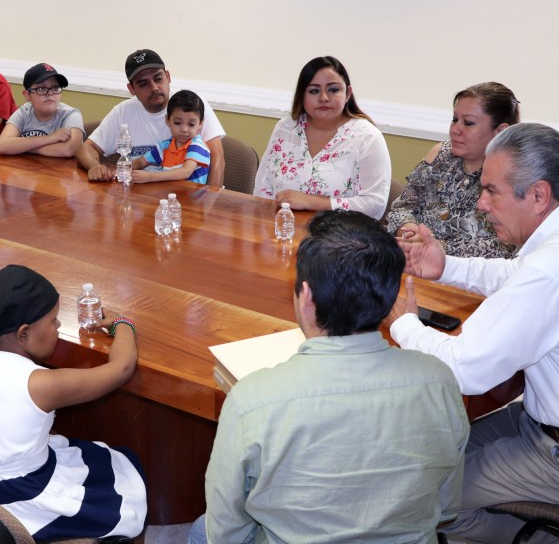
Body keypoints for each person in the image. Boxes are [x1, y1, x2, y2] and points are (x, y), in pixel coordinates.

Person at [189, 210, 469, 544]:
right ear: (390, 298)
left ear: (305, 297)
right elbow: (447, 506)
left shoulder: (251, 401)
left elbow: (225, 532)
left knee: (199, 529)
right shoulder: (441, 382)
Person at [388, 122, 559, 544]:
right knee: (433, 454)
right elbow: (514, 275)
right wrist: (445, 266)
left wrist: (403, 323)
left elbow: (466, 369)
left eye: (492, 191)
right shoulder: (548, 249)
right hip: (535, 422)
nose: (481, 204)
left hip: (551, 450)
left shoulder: (547, 269)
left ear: (538, 195)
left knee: (427, 499)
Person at [0, 265, 147, 540]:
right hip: (17, 500)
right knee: (126, 472)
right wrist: (124, 325)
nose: (59, 326)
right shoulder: (40, 384)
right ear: (23, 334)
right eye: (53, 321)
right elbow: (121, 369)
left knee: (75, 449)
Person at [386, 82, 519, 258]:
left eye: (468, 123)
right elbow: (402, 207)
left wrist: (437, 247)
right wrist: (409, 229)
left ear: (500, 131)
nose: (455, 130)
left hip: (468, 278)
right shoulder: (439, 155)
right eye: (455, 119)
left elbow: (506, 246)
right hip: (411, 259)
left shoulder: (515, 176)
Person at [253, 56, 391, 220]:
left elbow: (374, 206)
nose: (324, 98)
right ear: (301, 96)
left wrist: (312, 202)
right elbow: (263, 188)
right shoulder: (286, 128)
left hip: (342, 239)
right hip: (282, 232)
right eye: (314, 91)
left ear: (348, 93)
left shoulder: (367, 137)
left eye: (333, 90)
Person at [75, 49, 226, 187]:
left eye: (158, 79)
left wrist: (211, 202)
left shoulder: (193, 105)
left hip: (184, 199)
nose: (154, 88)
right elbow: (87, 148)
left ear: (168, 77)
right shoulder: (123, 111)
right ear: (131, 89)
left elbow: (217, 159)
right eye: (143, 84)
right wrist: (94, 166)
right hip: (139, 199)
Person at [0, 63, 84, 158]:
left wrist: (24, 147)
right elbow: (3, 146)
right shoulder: (23, 112)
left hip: (60, 171)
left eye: (55, 88)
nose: (50, 93)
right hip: (27, 169)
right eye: (42, 89)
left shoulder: (71, 114)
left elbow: (69, 150)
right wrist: (50, 138)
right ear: (27, 95)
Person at [132, 90, 210, 184]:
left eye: (191, 124)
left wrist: (150, 176)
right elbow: (141, 162)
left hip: (193, 197)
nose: (184, 129)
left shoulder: (198, 146)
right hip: (169, 195)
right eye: (177, 123)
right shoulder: (164, 146)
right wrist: (123, 169)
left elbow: (185, 172)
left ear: (200, 124)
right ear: (168, 120)